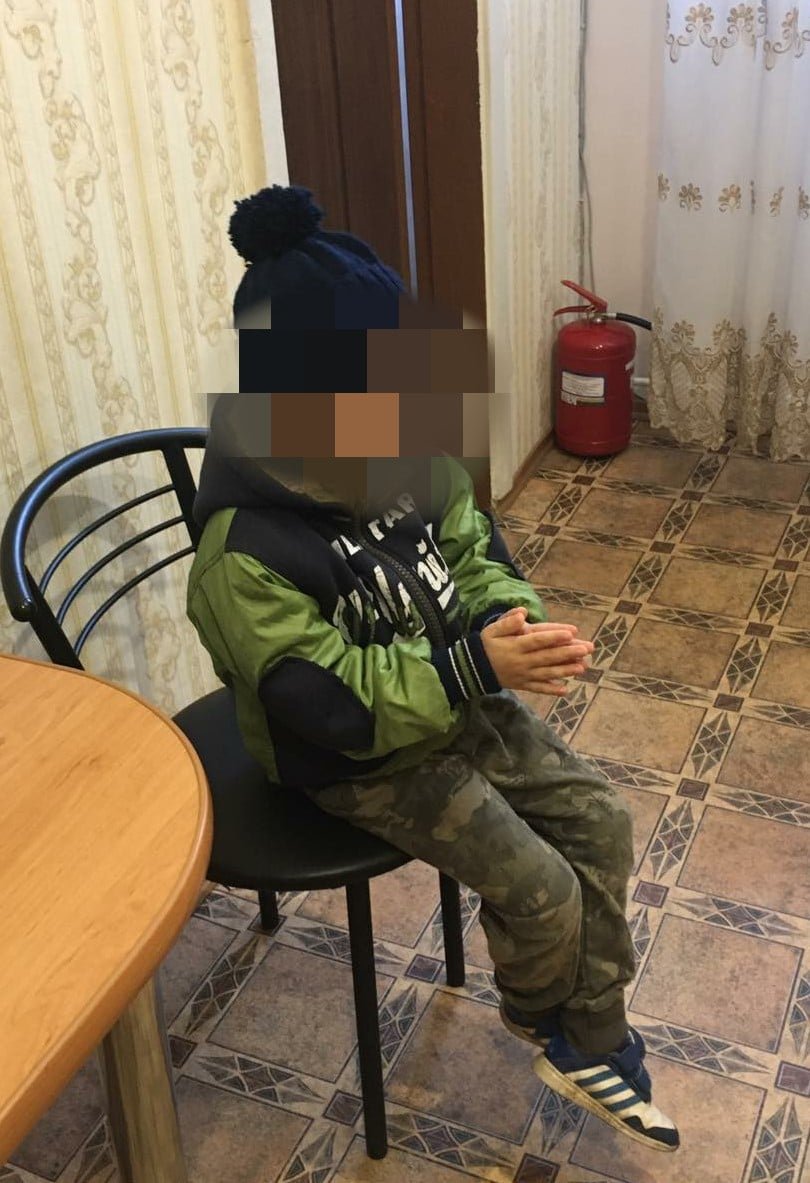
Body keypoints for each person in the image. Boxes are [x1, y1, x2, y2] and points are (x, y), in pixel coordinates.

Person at [187, 185, 679, 1153]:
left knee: (602, 821)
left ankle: (590, 1032)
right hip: (357, 759)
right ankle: (543, 1015)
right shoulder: (243, 550)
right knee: (541, 888)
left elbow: (473, 542)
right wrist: (465, 666)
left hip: (457, 695)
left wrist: (505, 620)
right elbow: (324, 701)